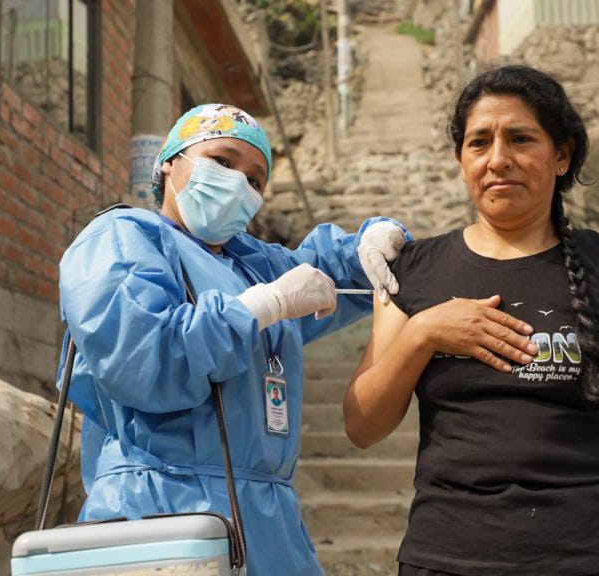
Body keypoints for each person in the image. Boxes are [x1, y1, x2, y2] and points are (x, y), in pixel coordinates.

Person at [343, 66, 599, 576]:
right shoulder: (416, 270)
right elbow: (362, 426)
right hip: (445, 559)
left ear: (562, 155)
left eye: (520, 139)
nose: (497, 160)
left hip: (597, 557)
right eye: (479, 143)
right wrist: (423, 334)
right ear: (460, 159)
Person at [57, 103, 411, 575]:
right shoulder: (121, 238)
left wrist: (375, 239)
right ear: (169, 161)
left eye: (255, 180)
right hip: (161, 510)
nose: (238, 183)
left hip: (269, 521)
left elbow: (329, 268)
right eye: (222, 162)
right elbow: (147, 361)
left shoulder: (250, 264)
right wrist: (261, 307)